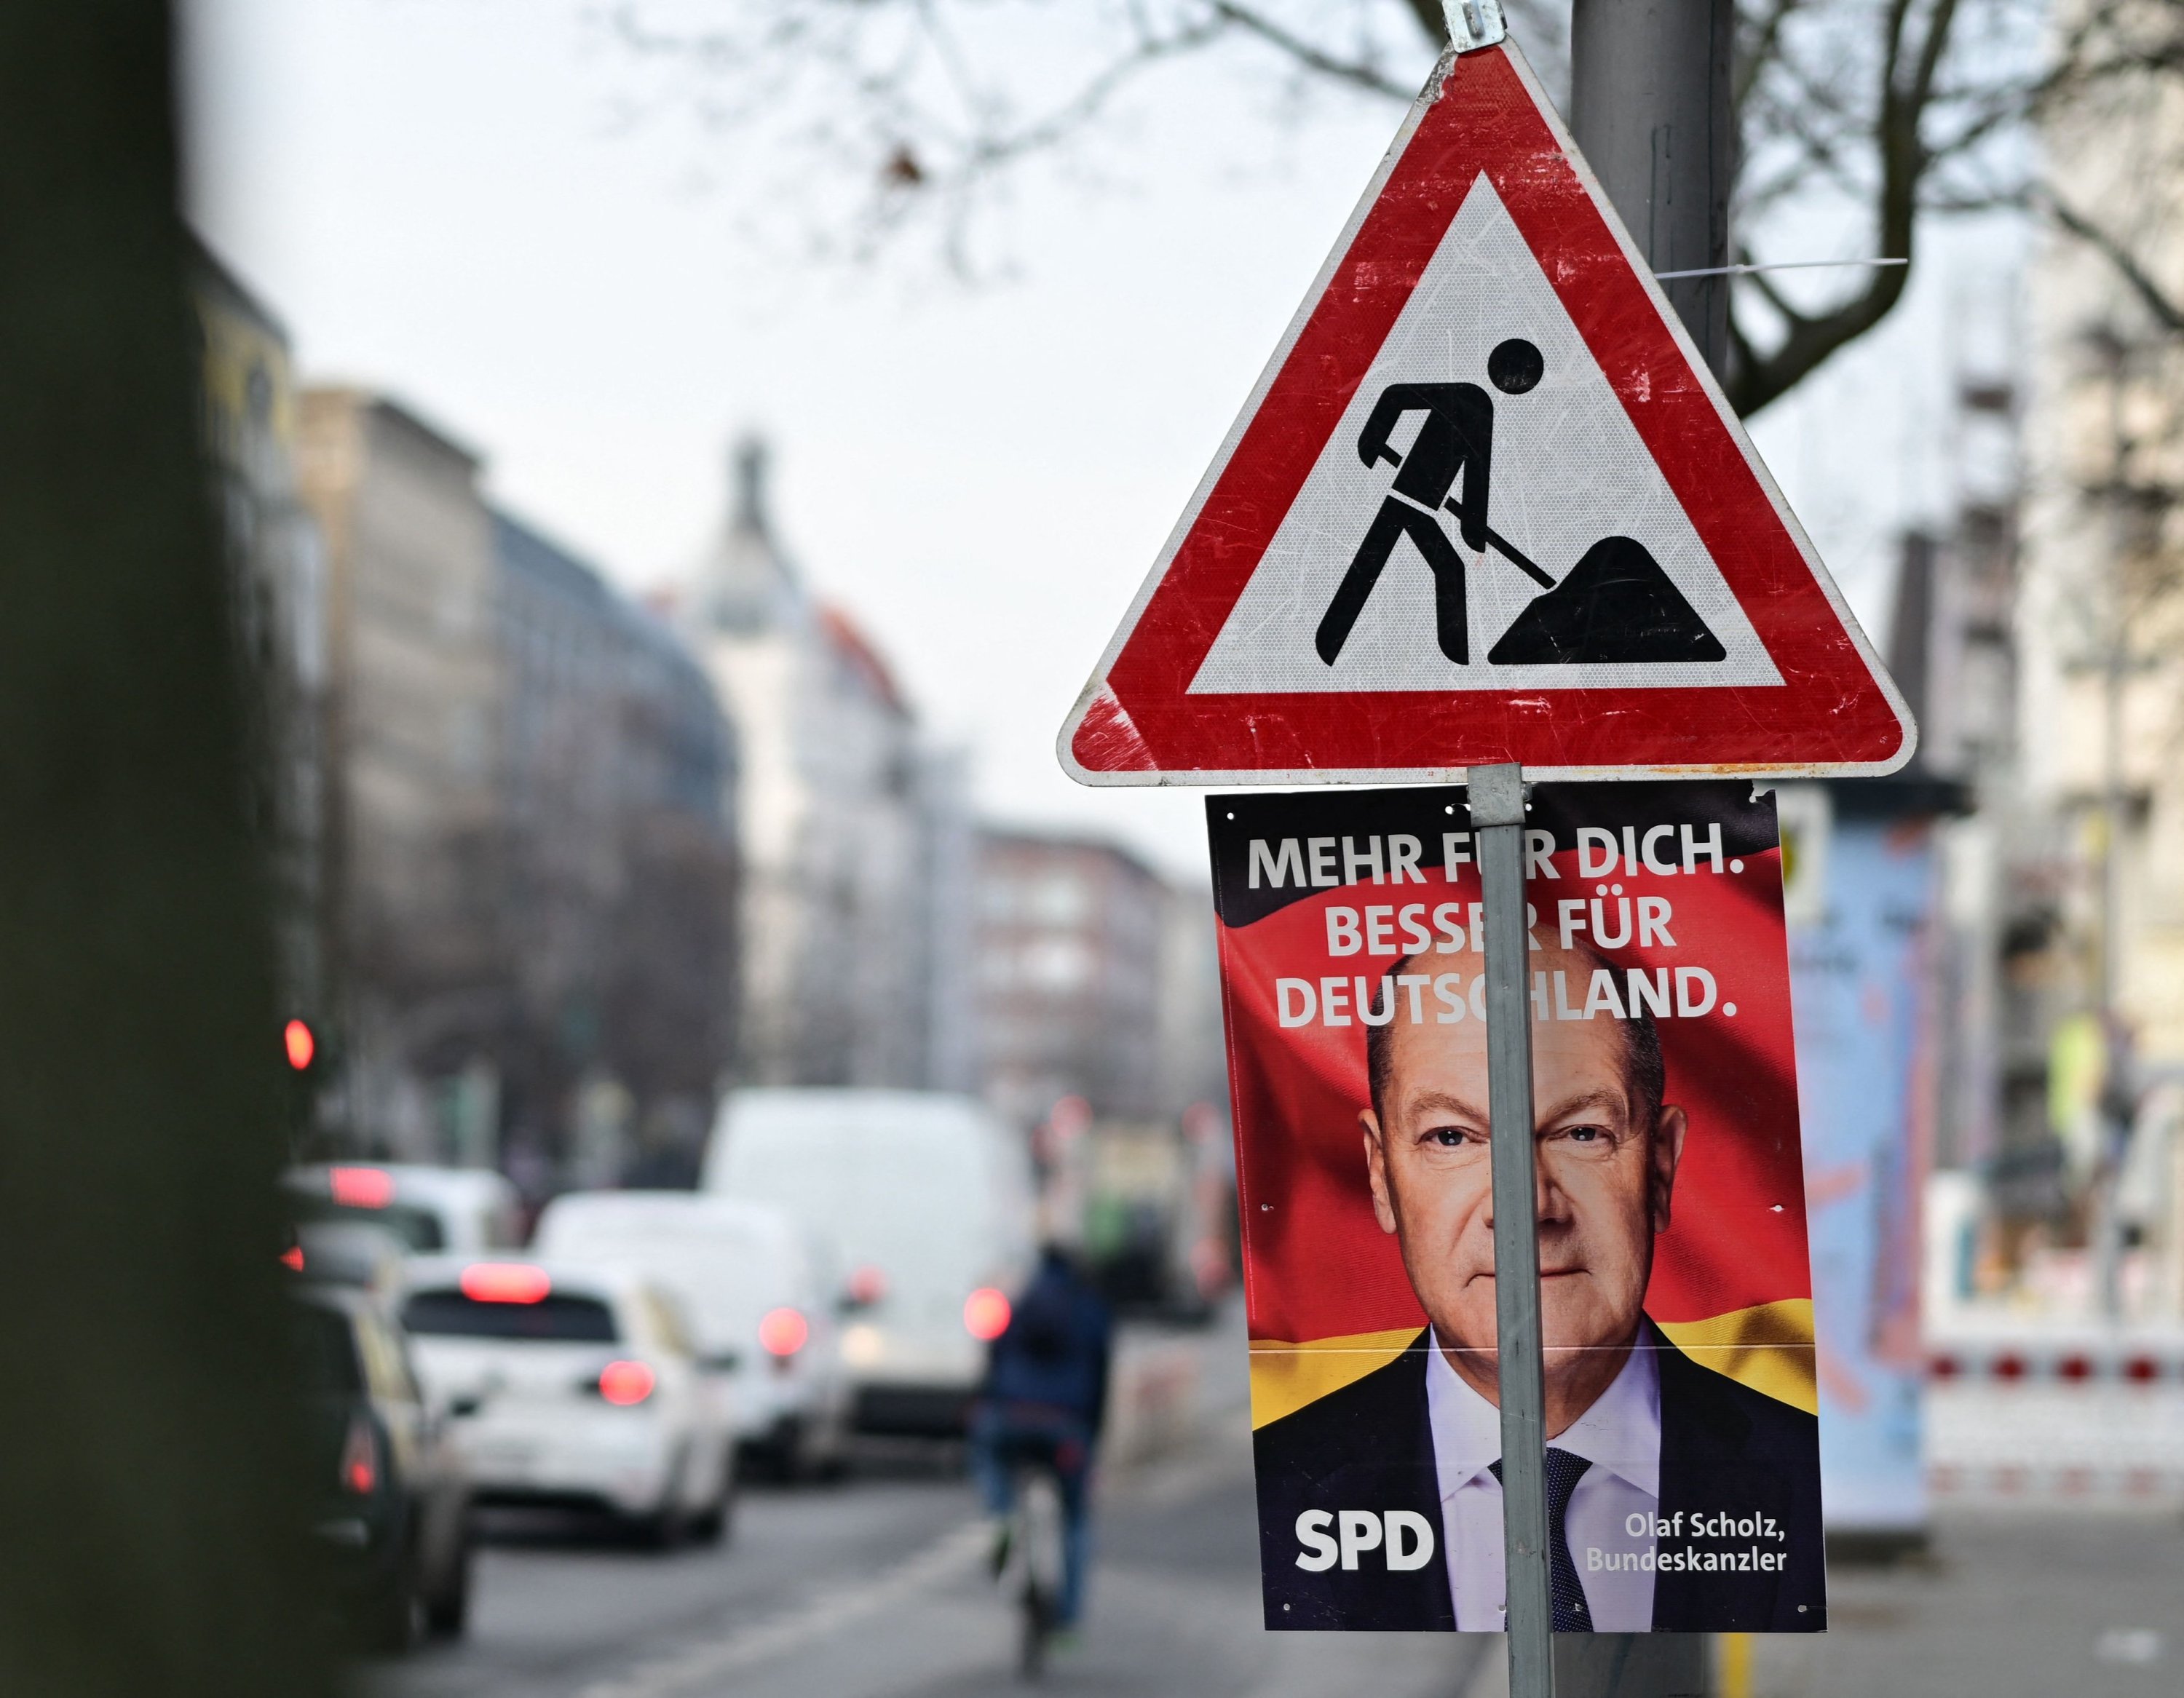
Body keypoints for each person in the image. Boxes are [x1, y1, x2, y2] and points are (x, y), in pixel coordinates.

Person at [1253, 937, 1823, 1632]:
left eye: (1582, 1132)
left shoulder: (1812, 1476)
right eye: (1452, 1138)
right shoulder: (1281, 1487)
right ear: (1381, 1174)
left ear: (1662, 1166)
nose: (1526, 1207)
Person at [970, 1242, 1114, 1634]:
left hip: (1010, 1418)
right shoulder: (1092, 1310)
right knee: (1076, 1517)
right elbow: (1102, 1381)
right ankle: (1066, 1620)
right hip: (1066, 1428)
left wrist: (988, 1407)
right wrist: (1093, 1439)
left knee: (989, 1454)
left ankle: (1001, 1519)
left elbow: (993, 1361)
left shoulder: (1022, 1301)